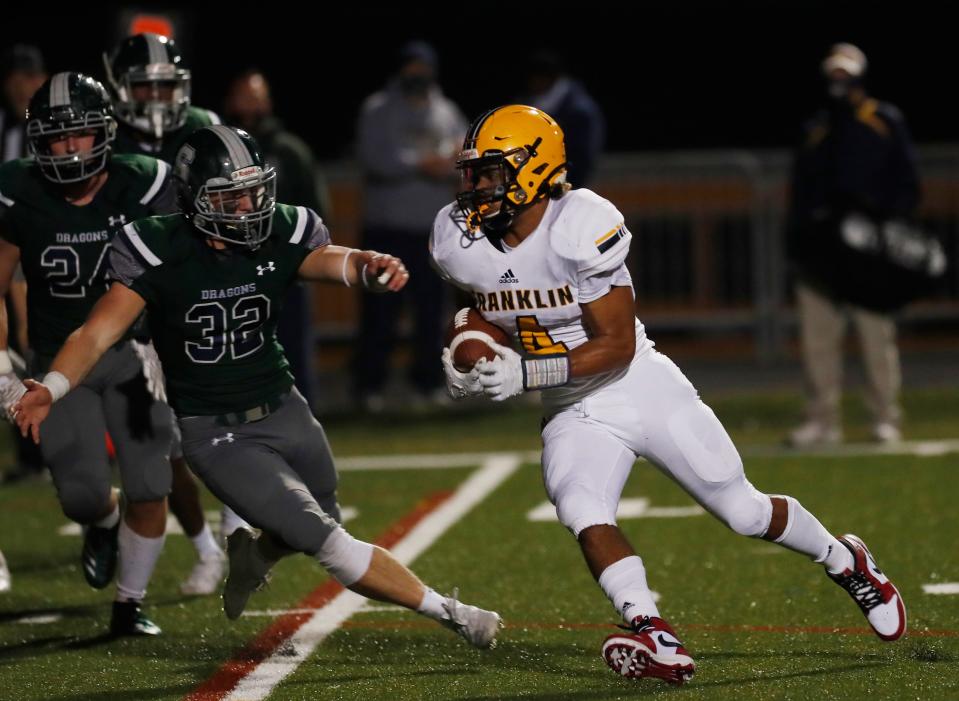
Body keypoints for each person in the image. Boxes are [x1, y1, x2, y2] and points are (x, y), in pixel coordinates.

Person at [430, 105, 906, 684]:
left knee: (744, 511)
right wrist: (467, 347)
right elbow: (492, 305)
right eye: (473, 173)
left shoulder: (581, 222)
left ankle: (846, 560)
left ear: (533, 170)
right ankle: (652, 632)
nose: (476, 187)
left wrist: (522, 375)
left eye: (491, 173)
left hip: (637, 386)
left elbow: (614, 347)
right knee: (581, 508)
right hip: (572, 408)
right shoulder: (458, 238)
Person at [13, 125, 502, 649]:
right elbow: (96, 331)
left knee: (321, 516)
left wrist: (368, 266)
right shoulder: (157, 248)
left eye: (254, 191)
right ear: (194, 199)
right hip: (216, 432)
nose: (247, 206)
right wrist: (54, 386)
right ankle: (450, 612)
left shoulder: (281, 229)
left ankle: (256, 554)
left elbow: (329, 259)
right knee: (326, 539)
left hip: (284, 405)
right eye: (230, 195)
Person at [0, 72, 176, 635]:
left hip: (132, 351)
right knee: (79, 495)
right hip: (57, 363)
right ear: (38, 142)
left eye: (79, 133)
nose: (70, 147)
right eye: (57, 137)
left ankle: (130, 603)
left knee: (150, 485)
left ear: (104, 131)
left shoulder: (146, 184)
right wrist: (3, 361)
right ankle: (101, 520)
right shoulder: (17, 191)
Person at [106, 32, 233, 592]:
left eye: (165, 85)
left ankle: (235, 528)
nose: (157, 98)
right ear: (121, 88)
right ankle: (205, 547)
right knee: (167, 442)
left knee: (226, 414)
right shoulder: (101, 133)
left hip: (203, 288)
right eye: (145, 86)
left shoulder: (202, 123)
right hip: (140, 296)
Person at [786, 43, 920, 448]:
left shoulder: (883, 120)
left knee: (876, 336)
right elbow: (800, 191)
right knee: (818, 338)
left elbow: (907, 183)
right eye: (834, 74)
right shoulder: (816, 127)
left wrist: (887, 231)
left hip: (869, 250)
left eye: (847, 74)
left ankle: (885, 417)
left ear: (860, 75)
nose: (839, 82)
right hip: (822, 250)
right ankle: (822, 420)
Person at [352, 41, 466, 411]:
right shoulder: (378, 109)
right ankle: (370, 387)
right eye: (410, 67)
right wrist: (424, 163)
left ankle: (428, 384)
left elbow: (464, 155)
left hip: (432, 232)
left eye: (422, 67)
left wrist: (439, 164)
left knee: (431, 313)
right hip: (387, 230)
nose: (416, 74)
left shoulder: (446, 110)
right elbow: (376, 159)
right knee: (380, 314)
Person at [223, 68, 330, 409]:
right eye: (243, 96)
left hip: (282, 273)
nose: (250, 105)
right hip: (228, 273)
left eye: (256, 96)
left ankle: (302, 422)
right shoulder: (217, 153)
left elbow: (314, 212)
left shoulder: (289, 151)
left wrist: (296, 259)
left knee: (294, 352)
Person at [104, 33, 221, 166]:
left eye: (165, 84)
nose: (155, 95)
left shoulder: (205, 125)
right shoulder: (102, 137)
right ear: (119, 90)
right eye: (142, 84)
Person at [518, 49, 605, 188]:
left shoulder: (578, 110)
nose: (532, 84)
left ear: (547, 78)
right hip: (535, 184)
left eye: (535, 79)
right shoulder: (528, 101)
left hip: (563, 186)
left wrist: (563, 188)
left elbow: (583, 158)